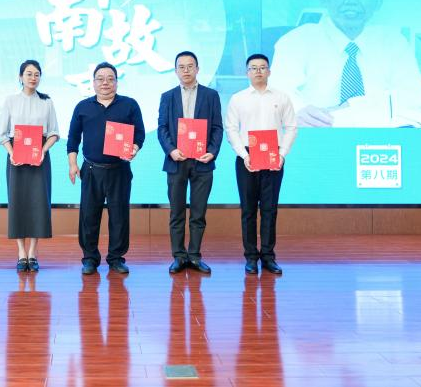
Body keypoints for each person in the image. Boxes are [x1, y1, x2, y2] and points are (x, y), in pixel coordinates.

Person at [269, 0, 421, 127]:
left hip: (378, 140)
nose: (351, 0)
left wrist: (350, 108)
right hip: (316, 136)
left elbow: (416, 95)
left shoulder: (393, 43)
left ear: (378, 2)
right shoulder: (296, 41)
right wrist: (297, 112)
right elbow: (276, 95)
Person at [67, 61, 145, 275]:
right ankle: (89, 258)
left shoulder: (129, 105)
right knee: (89, 216)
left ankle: (116, 258)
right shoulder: (82, 107)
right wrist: (73, 164)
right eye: (100, 79)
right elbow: (73, 138)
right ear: (93, 83)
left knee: (119, 216)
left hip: (119, 169)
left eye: (110, 79)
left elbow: (139, 134)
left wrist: (134, 148)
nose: (105, 83)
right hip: (91, 170)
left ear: (117, 82)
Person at [225, 54, 297, 275]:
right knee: (248, 210)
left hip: (274, 156)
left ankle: (268, 256)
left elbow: (291, 127)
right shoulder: (238, 99)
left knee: (269, 209)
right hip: (247, 157)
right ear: (247, 72)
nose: (258, 71)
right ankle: (250, 257)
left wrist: (282, 154)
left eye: (262, 67)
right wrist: (243, 154)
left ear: (269, 71)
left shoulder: (282, 97)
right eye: (253, 68)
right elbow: (231, 129)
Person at [157, 51, 223, 274]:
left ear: (197, 69)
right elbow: (162, 128)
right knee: (176, 212)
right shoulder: (167, 96)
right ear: (176, 70)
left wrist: (212, 151)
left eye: (190, 66)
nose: (186, 70)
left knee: (198, 212)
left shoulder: (211, 95)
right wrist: (171, 150)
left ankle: (194, 256)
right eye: (181, 67)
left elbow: (217, 128)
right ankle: (178, 256)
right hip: (177, 161)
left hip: (202, 161)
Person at [0, 60, 59, 272]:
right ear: (20, 77)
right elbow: (3, 134)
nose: (33, 78)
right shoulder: (10, 100)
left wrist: (42, 150)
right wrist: (12, 152)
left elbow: (54, 132)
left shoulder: (47, 102)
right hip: (16, 156)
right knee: (18, 202)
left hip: (39, 156)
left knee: (38, 203)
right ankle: (20, 253)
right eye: (29, 74)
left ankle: (32, 253)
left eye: (37, 74)